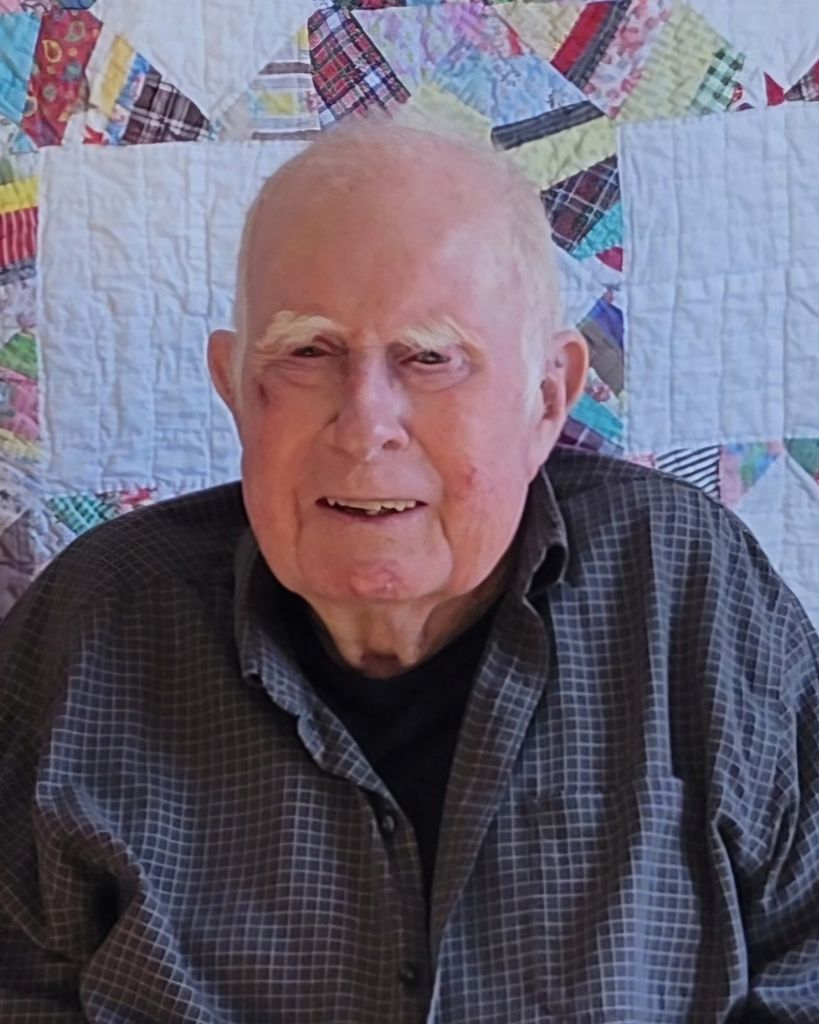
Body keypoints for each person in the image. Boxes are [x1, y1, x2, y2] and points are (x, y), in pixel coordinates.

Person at [0, 119, 818, 1023]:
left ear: (546, 397)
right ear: (234, 387)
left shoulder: (686, 591)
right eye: (307, 352)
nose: (365, 426)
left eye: (430, 358)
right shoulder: (94, 628)